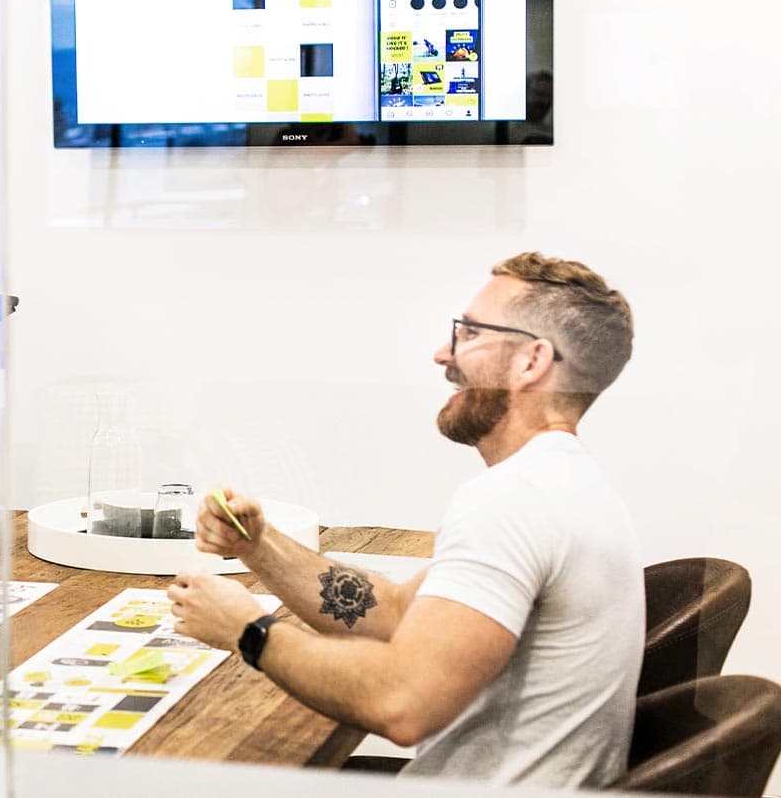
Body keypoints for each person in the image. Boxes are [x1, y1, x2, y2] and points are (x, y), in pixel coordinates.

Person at [168, 251, 640, 787]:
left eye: (470, 333)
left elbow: (403, 703)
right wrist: (259, 545)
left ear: (532, 361)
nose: (444, 353)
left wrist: (247, 631)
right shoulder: (565, 483)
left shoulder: (514, 502)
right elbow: (391, 612)